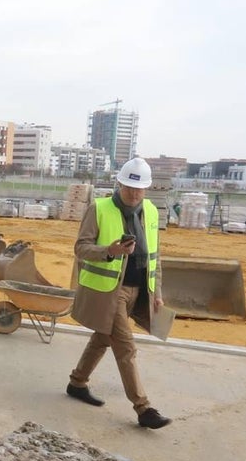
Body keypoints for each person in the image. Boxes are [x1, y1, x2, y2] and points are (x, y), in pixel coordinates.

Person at [67, 157, 172, 429]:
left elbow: (154, 255)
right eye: (129, 188)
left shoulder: (150, 211)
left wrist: (156, 291)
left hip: (140, 291)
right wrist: (109, 252)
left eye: (139, 189)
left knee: (103, 338)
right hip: (109, 292)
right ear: (119, 183)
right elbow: (80, 248)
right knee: (126, 348)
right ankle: (143, 407)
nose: (134, 194)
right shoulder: (98, 208)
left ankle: (77, 382)